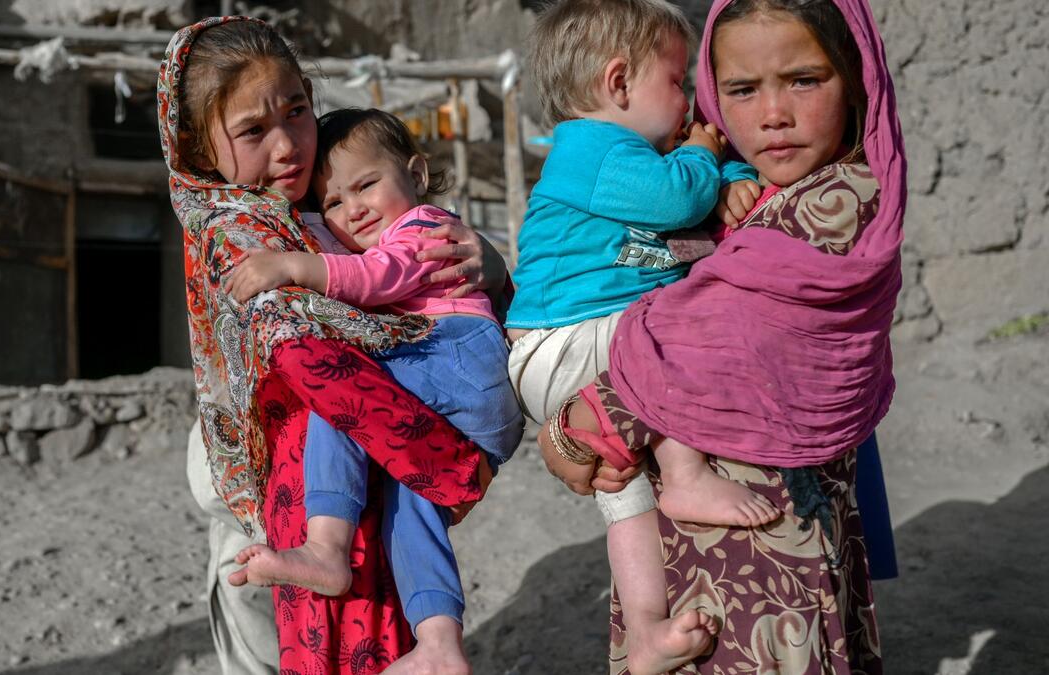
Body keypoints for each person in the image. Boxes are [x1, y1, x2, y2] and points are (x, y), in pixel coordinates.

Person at [541, 0, 902, 671]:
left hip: (770, 534)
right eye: (741, 89)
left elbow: (723, 325)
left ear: (855, 79)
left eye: (804, 80)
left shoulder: (839, 201)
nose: (773, 113)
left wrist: (594, 415)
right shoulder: (757, 188)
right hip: (703, 535)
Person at [160, 17, 508, 674]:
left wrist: (483, 264)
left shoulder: (319, 204)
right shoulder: (239, 233)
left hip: (354, 469)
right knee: (281, 636)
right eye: (253, 131)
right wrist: (444, 457)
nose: (288, 145)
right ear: (200, 150)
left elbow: (409, 270)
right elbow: (312, 353)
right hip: (289, 487)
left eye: (297, 111)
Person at [507, 0, 775, 670]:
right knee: (673, 324)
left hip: (574, 351)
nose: (688, 101)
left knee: (625, 501)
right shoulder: (591, 148)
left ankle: (648, 630)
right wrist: (706, 155)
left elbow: (691, 205)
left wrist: (733, 176)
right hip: (568, 339)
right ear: (619, 82)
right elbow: (677, 199)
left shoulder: (637, 154)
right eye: (677, 82)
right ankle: (686, 474)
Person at [219, 107, 524, 672]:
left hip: (456, 357)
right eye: (334, 202)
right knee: (410, 516)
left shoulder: (425, 228)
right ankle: (439, 644)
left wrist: (291, 266)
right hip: (461, 393)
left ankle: (327, 546)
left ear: (417, 174)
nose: (353, 209)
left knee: (341, 393)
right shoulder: (375, 234)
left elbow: (375, 277)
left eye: (366, 185)